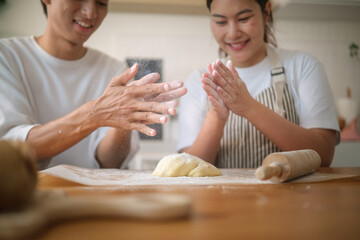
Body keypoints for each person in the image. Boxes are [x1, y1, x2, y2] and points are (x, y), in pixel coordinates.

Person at [0, 0, 187, 170]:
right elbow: (11, 150)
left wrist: (124, 121)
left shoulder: (113, 69)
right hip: (23, 199)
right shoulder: (7, 56)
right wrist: (95, 113)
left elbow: (110, 164)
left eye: (101, 3)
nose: (90, 13)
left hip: (92, 198)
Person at [178, 0, 339, 168]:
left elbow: (323, 154)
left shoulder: (304, 66)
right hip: (222, 195)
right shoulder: (199, 81)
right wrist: (217, 116)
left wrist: (249, 107)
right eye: (221, 22)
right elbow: (189, 169)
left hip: (291, 194)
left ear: (266, 12)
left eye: (244, 18)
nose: (232, 34)